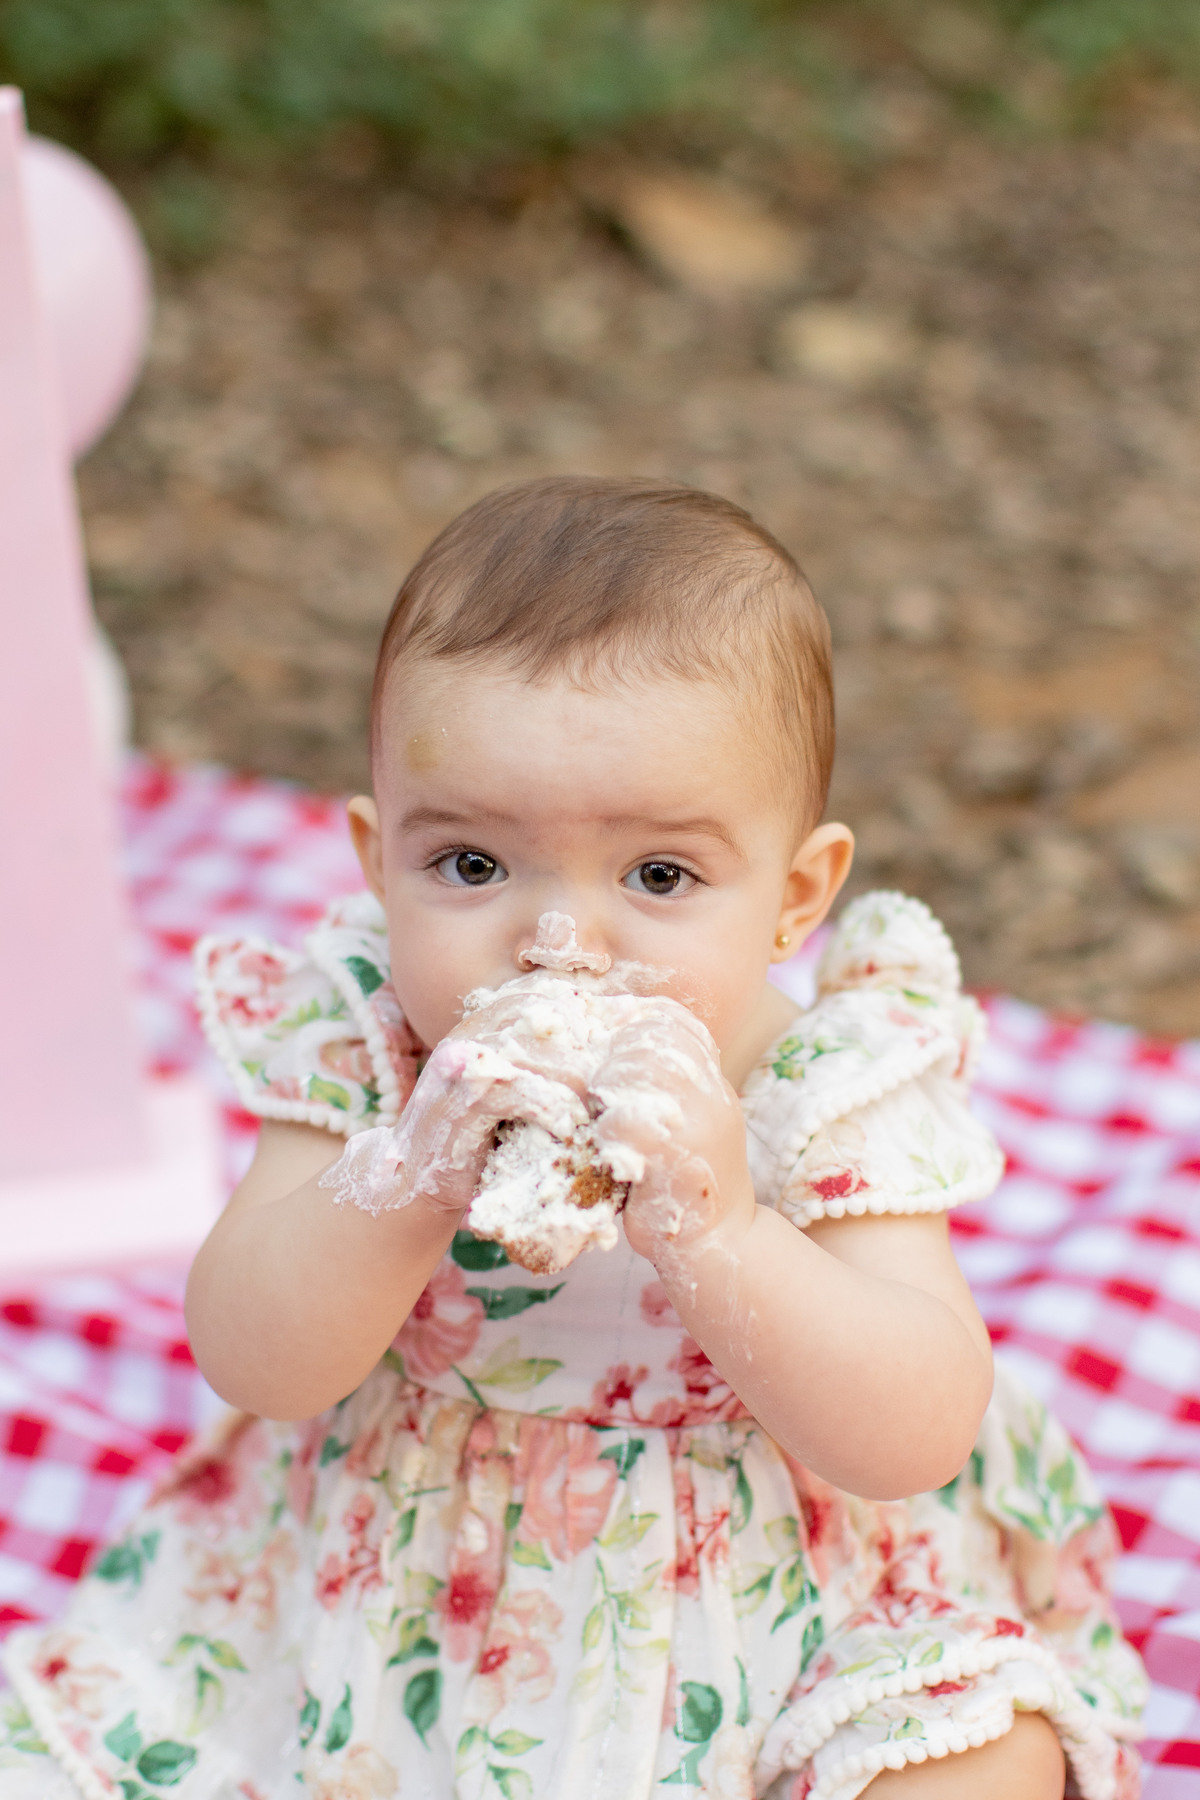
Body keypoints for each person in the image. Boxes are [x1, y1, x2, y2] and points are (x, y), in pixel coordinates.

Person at [0, 479, 1144, 1799]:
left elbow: (917, 1426)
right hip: (416, 1602)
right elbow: (256, 1359)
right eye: (473, 865)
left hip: (777, 1599)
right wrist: (407, 1183)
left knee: (979, 1765)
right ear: (377, 862)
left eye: (660, 876)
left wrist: (722, 1232)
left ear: (795, 897)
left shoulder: (824, 1079)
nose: (561, 941)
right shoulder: (373, 1048)